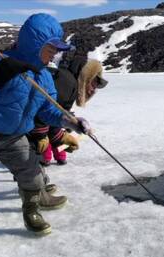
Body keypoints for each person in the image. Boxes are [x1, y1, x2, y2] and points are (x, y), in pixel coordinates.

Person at [0, 13, 90, 255]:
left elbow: (48, 109)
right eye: (51, 48)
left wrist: (71, 122)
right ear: (35, 44)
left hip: (13, 134)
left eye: (57, 49)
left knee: (33, 175)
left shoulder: (43, 75)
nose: (55, 54)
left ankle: (32, 212)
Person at [28, 57, 107, 207]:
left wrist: (64, 133)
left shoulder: (70, 83)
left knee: (33, 158)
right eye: (95, 82)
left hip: (32, 124)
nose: (94, 89)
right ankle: (37, 196)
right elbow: (42, 110)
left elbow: (55, 114)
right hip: (28, 124)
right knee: (30, 159)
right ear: (87, 76)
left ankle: (40, 186)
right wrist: (40, 135)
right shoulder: (67, 83)